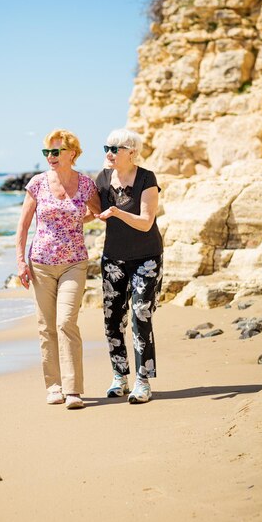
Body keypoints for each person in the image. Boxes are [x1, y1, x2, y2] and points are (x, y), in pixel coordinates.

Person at [16, 129, 101, 409]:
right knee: (46, 327)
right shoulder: (38, 183)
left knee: (66, 322)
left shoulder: (86, 184)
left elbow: (97, 213)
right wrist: (20, 261)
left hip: (74, 262)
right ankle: (54, 386)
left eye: (56, 151)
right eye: (47, 152)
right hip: (40, 264)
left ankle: (73, 390)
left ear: (72, 154)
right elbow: (24, 224)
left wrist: (76, 222)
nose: (50, 157)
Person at [95, 128, 163, 404]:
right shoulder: (101, 179)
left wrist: (117, 212)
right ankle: (119, 376)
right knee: (113, 318)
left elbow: (146, 222)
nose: (109, 154)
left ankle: (142, 381)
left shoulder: (147, 178)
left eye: (115, 149)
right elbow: (91, 210)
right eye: (106, 148)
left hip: (146, 256)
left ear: (131, 152)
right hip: (113, 258)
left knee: (140, 314)